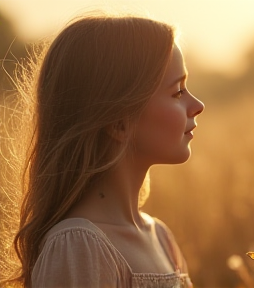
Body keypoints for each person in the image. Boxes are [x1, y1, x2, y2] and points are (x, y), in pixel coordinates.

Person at [3, 14, 204, 288]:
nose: (198, 105)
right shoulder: (77, 247)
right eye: (177, 92)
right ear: (118, 122)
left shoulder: (160, 237)